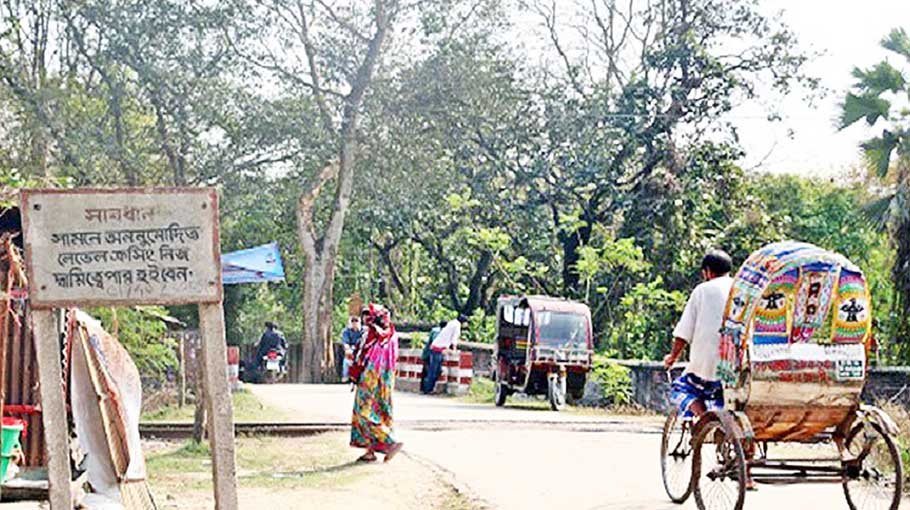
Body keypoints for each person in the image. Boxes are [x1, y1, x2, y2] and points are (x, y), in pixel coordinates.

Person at [663, 250, 733, 418]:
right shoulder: (741, 289)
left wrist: (672, 357)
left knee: (680, 387)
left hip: (707, 370)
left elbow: (684, 331)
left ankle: (703, 419)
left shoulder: (702, 290)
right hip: (737, 370)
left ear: (707, 271)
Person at [349, 304, 403, 462]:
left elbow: (360, 356)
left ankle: (390, 442)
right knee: (382, 410)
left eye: (368, 315)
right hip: (386, 380)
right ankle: (370, 451)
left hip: (370, 378)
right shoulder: (392, 335)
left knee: (363, 413)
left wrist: (353, 376)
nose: (365, 319)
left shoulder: (371, 334)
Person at [421, 315, 466, 394]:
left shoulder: (451, 323)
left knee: (435, 370)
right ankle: (428, 389)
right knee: (434, 370)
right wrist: (454, 350)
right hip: (438, 349)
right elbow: (454, 339)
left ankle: (428, 388)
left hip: (436, 347)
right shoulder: (457, 325)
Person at [420, 321, 447, 389]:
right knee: (433, 371)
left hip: (428, 353)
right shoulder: (439, 332)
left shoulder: (435, 330)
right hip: (434, 353)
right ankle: (428, 388)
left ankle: (426, 388)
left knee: (428, 371)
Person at [340, 316, 364, 381]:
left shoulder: (364, 331)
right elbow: (345, 343)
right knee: (346, 360)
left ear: (360, 322)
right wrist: (348, 349)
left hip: (362, 349)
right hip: (352, 350)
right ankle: (346, 376)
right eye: (353, 321)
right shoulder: (346, 331)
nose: (354, 323)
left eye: (356, 321)